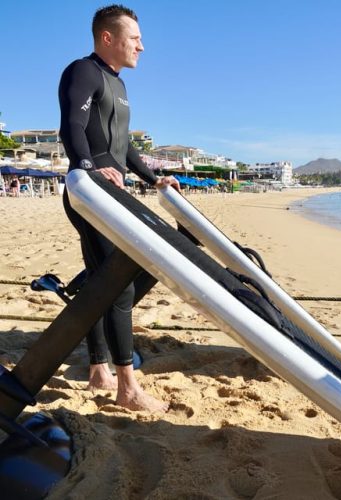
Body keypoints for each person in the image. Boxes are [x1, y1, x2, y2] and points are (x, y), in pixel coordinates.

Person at [58, 4, 179, 412]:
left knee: (100, 281)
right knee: (118, 284)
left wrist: (152, 179)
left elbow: (122, 147)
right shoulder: (83, 71)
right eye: (135, 39)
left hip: (112, 194)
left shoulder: (119, 86)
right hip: (91, 193)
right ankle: (127, 388)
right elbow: (71, 127)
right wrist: (89, 168)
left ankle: (98, 371)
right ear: (108, 38)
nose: (142, 47)